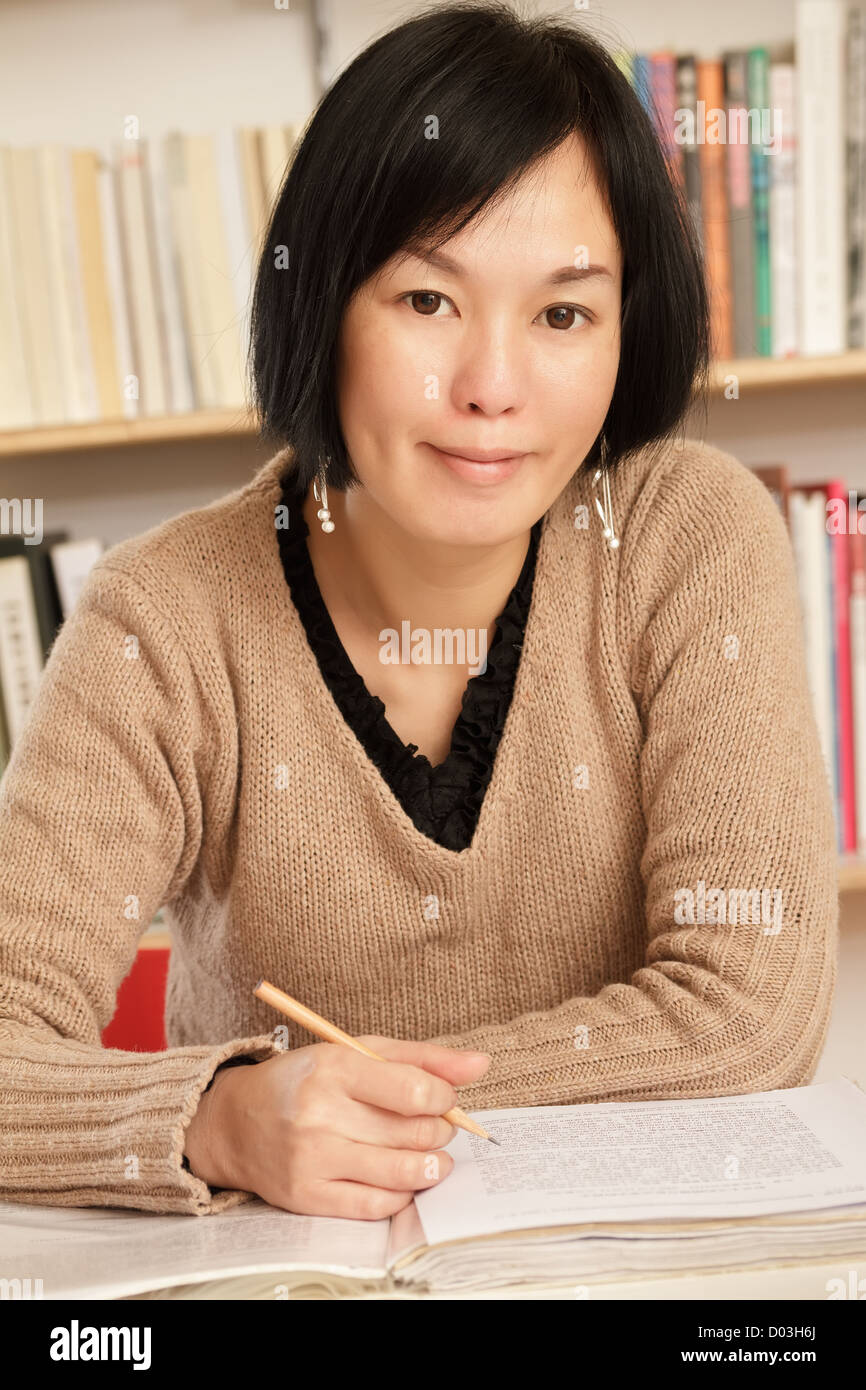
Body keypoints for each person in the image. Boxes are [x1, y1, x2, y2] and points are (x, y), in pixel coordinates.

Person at [0, 2, 837, 1221]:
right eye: (426, 301)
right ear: (323, 301)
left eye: (562, 314)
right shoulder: (161, 623)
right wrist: (216, 1116)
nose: (492, 388)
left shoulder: (683, 536)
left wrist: (374, 1101)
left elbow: (746, 1014)